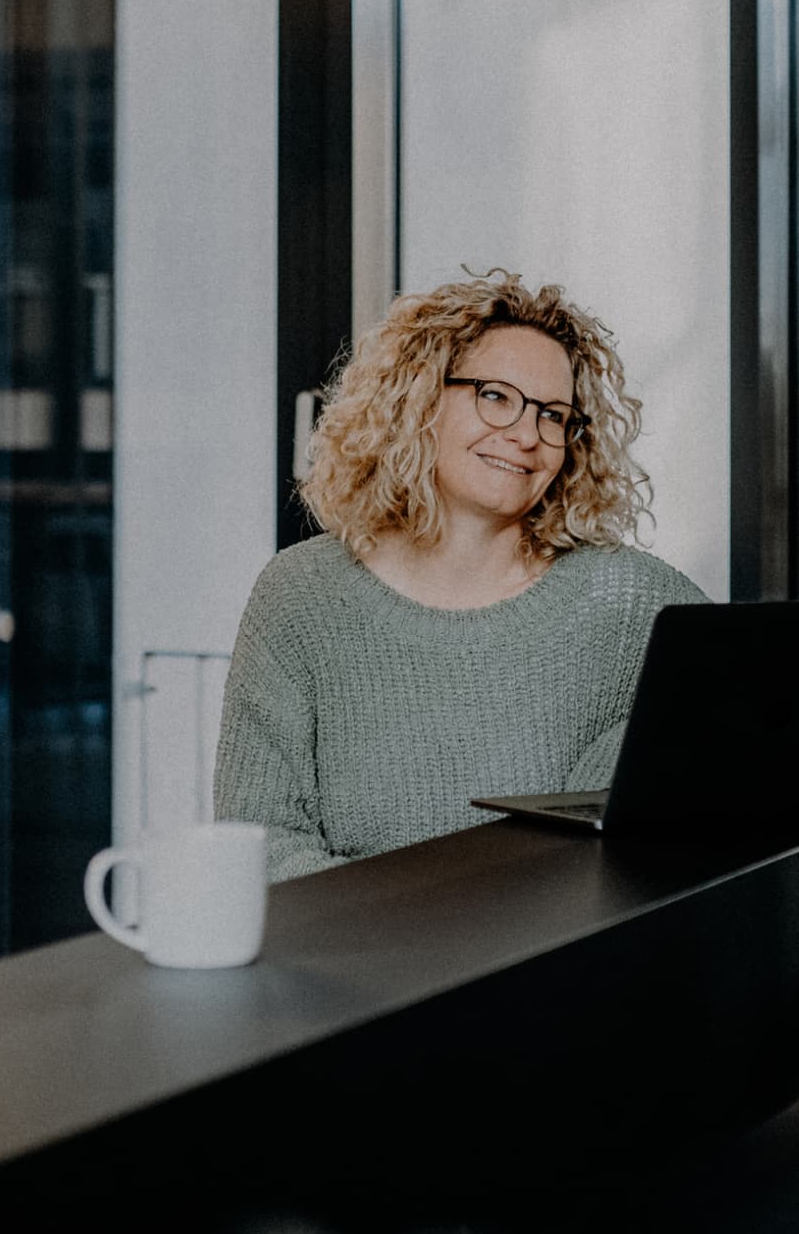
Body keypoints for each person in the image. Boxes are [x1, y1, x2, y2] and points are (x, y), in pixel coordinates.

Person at [215, 271, 707, 879]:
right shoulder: (301, 595)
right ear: (418, 399)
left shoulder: (631, 600)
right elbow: (259, 840)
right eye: (496, 396)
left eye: (554, 415)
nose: (527, 436)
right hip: (361, 962)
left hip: (566, 964)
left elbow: (751, 745)